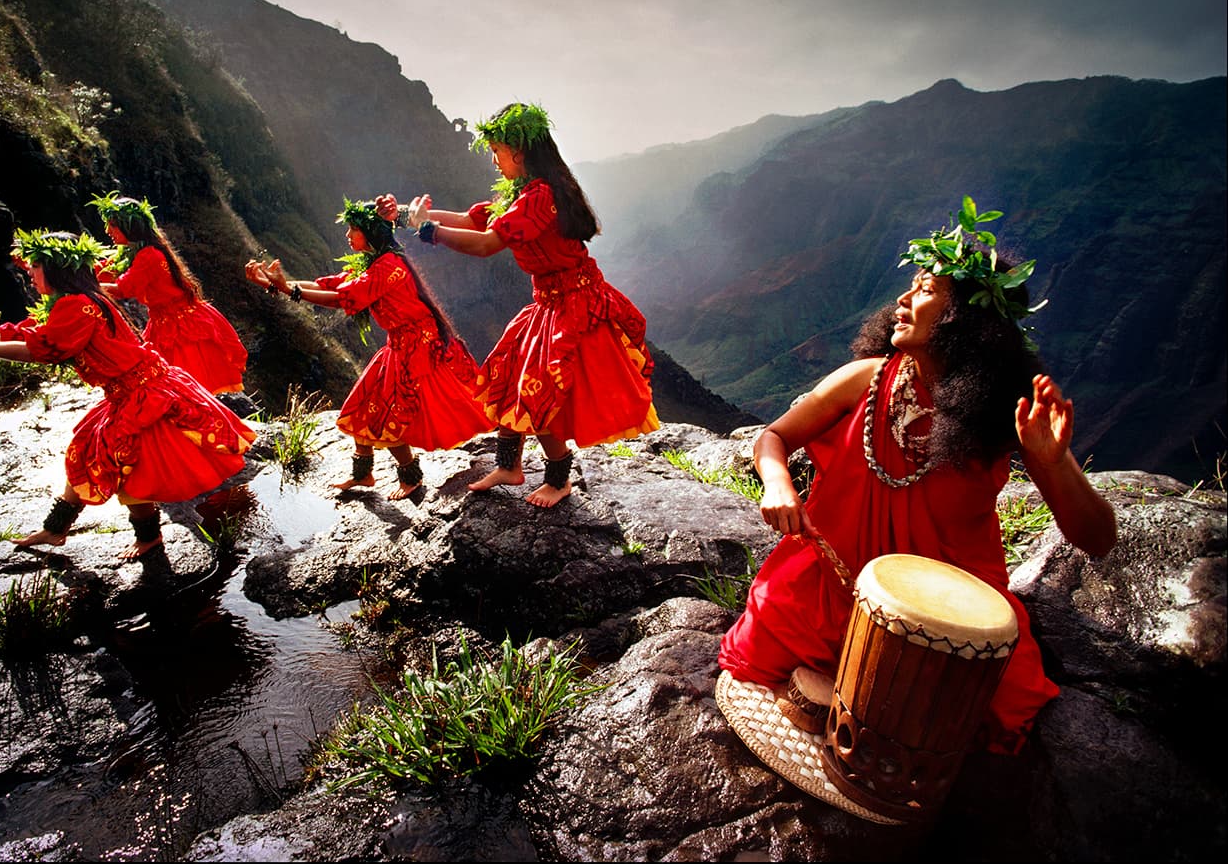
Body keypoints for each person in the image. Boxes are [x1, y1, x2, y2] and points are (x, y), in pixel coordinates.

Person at [717, 200, 1117, 753]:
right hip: (833, 586)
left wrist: (1050, 463)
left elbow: (1097, 539)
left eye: (926, 289)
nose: (903, 299)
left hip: (946, 610)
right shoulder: (866, 379)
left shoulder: (1003, 413)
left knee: (987, 701)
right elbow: (774, 437)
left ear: (965, 322)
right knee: (769, 637)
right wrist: (777, 481)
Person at [0, 229, 256, 561]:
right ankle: (59, 529)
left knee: (131, 475)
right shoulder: (84, 299)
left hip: (141, 393)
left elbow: (43, 349)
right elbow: (31, 336)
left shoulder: (74, 305)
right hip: (138, 387)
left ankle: (142, 539)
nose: (30, 277)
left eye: (35, 268)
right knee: (91, 453)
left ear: (55, 269)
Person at [383, 102, 658, 507]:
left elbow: (487, 243)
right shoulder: (523, 192)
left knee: (538, 392)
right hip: (549, 301)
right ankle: (510, 466)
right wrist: (407, 216)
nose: (494, 160)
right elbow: (473, 220)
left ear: (520, 151)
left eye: (496, 151)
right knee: (507, 376)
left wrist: (428, 231)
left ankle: (559, 477)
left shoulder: (539, 196)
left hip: (572, 304)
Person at [243, 198, 490, 500]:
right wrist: (275, 283)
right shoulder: (373, 263)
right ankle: (363, 474)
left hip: (418, 349)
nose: (348, 235)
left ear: (370, 232)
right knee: (364, 405)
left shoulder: (388, 267)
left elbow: (341, 297)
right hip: (399, 346)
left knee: (393, 413)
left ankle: (410, 477)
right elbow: (330, 285)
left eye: (353, 230)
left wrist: (287, 289)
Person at [88, 191, 248, 395]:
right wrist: (72, 271)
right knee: (179, 384)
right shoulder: (135, 252)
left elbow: (122, 288)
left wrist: (86, 287)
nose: (108, 230)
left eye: (113, 225)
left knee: (186, 383)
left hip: (180, 325)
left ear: (130, 227)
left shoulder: (148, 255)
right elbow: (105, 271)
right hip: (166, 322)